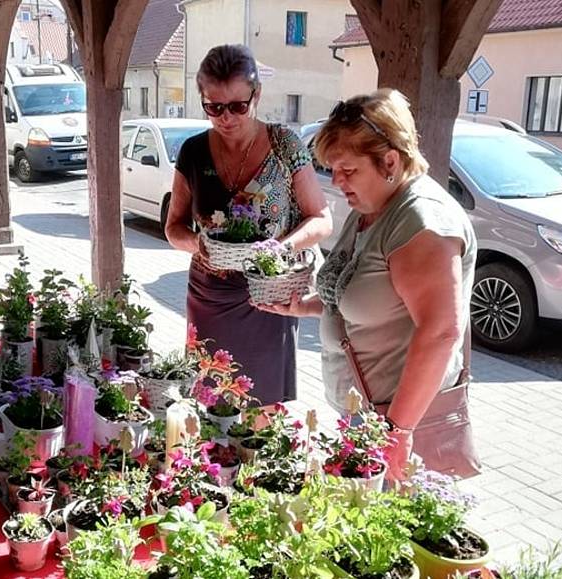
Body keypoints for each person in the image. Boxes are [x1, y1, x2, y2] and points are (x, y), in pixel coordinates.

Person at [258, 89, 477, 480]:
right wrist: (304, 306)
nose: (336, 180)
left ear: (389, 160)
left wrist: (399, 431)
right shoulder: (373, 207)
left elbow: (441, 332)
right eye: (332, 169)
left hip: (399, 420)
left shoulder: (421, 221)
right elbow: (366, 298)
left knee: (395, 532)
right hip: (367, 412)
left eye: (348, 170)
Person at [165, 44, 331, 405]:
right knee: (208, 402)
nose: (227, 117)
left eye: (239, 105)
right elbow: (173, 228)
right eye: (214, 107)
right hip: (211, 295)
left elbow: (321, 219)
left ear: (257, 95)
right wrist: (199, 245)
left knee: (263, 404)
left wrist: (282, 246)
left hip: (269, 295)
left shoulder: (284, 144)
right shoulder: (192, 151)